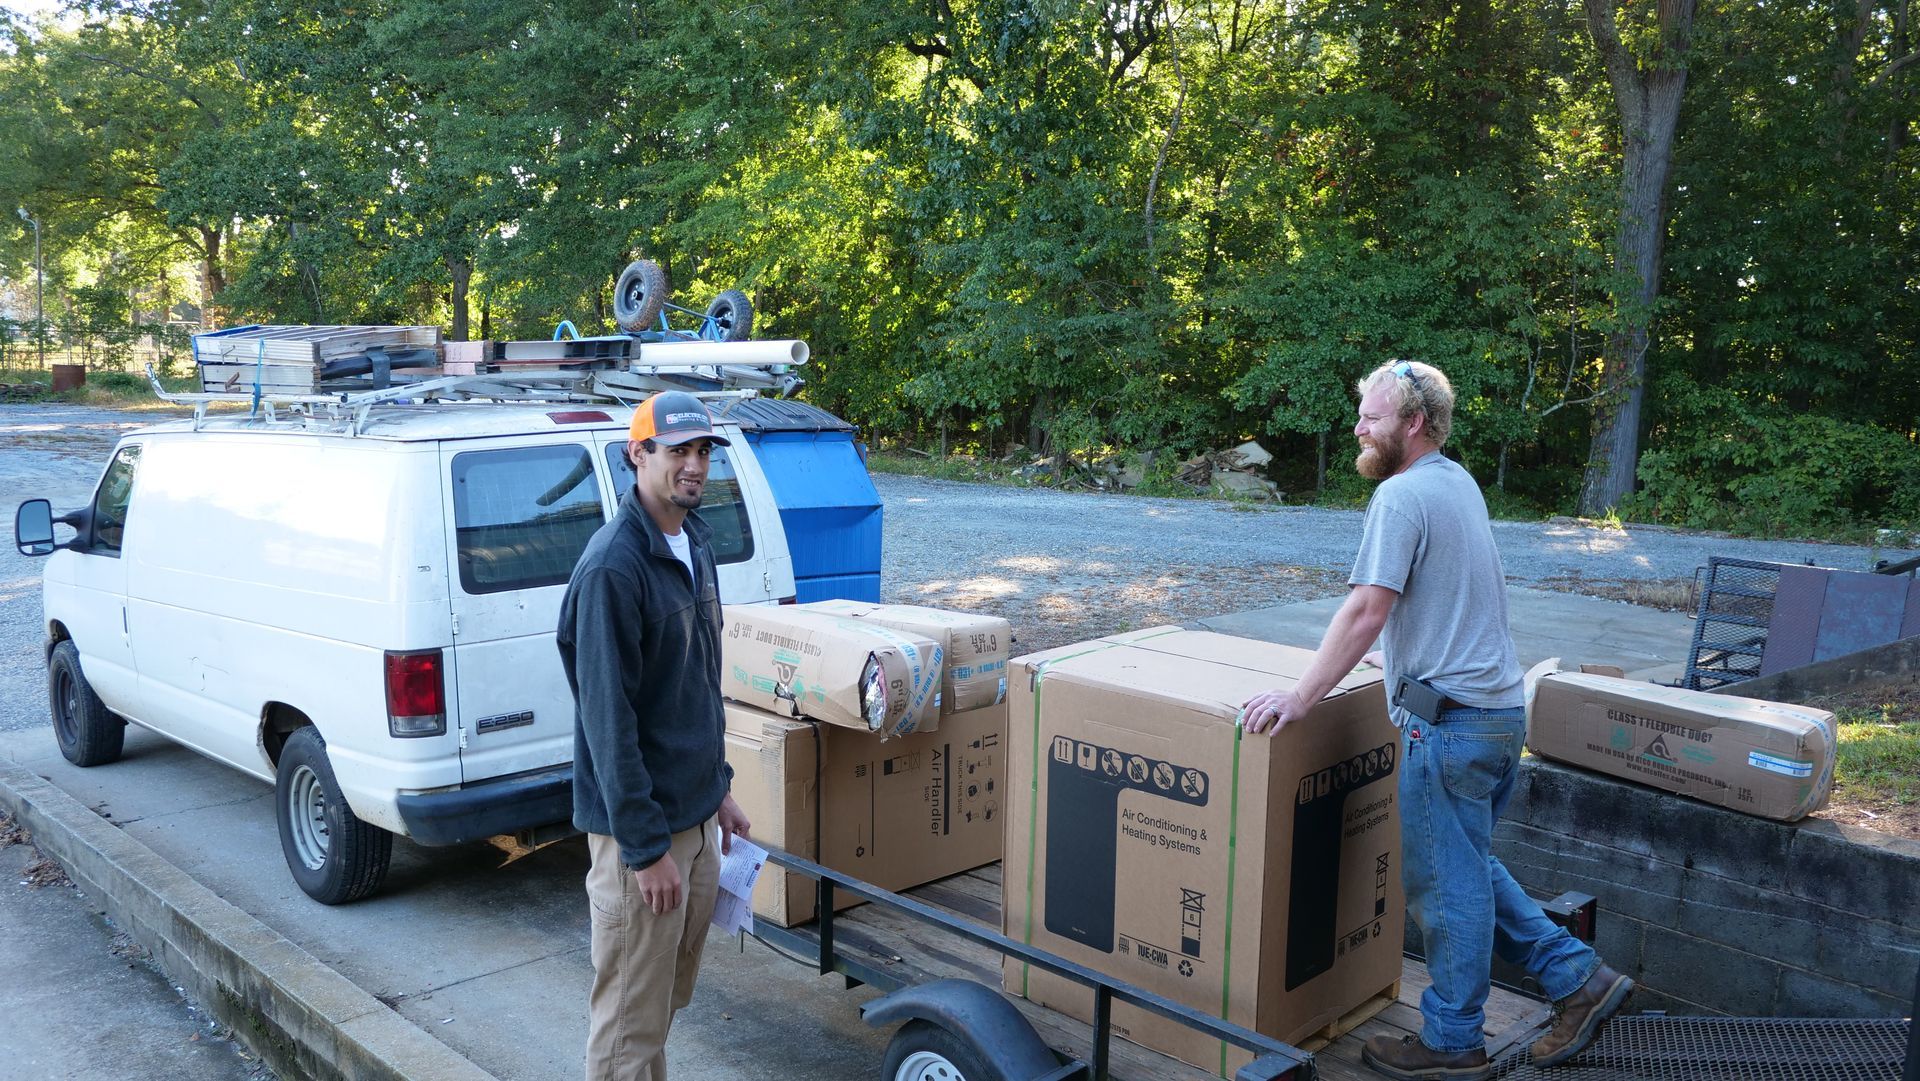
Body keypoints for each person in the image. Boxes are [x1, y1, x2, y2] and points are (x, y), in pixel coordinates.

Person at [1241, 361, 1631, 1080]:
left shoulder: (1401, 495)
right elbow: (1435, 605)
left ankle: (1453, 1043)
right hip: (1496, 715)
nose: (1359, 426)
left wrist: (1301, 696)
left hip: (1449, 726)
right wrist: (1392, 666)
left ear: (1414, 424)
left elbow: (1366, 607)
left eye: (1373, 417)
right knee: (1469, 866)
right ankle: (1579, 977)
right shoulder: (1456, 481)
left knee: (1446, 890)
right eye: (1361, 412)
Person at [557, 390, 752, 1081]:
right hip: (642, 837)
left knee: (664, 1000)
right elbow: (608, 723)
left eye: (702, 451)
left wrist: (717, 789)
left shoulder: (694, 541)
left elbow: (696, 681)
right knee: (627, 1030)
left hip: (693, 822)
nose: (694, 465)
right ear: (638, 454)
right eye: (678, 451)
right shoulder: (614, 568)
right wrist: (644, 851)